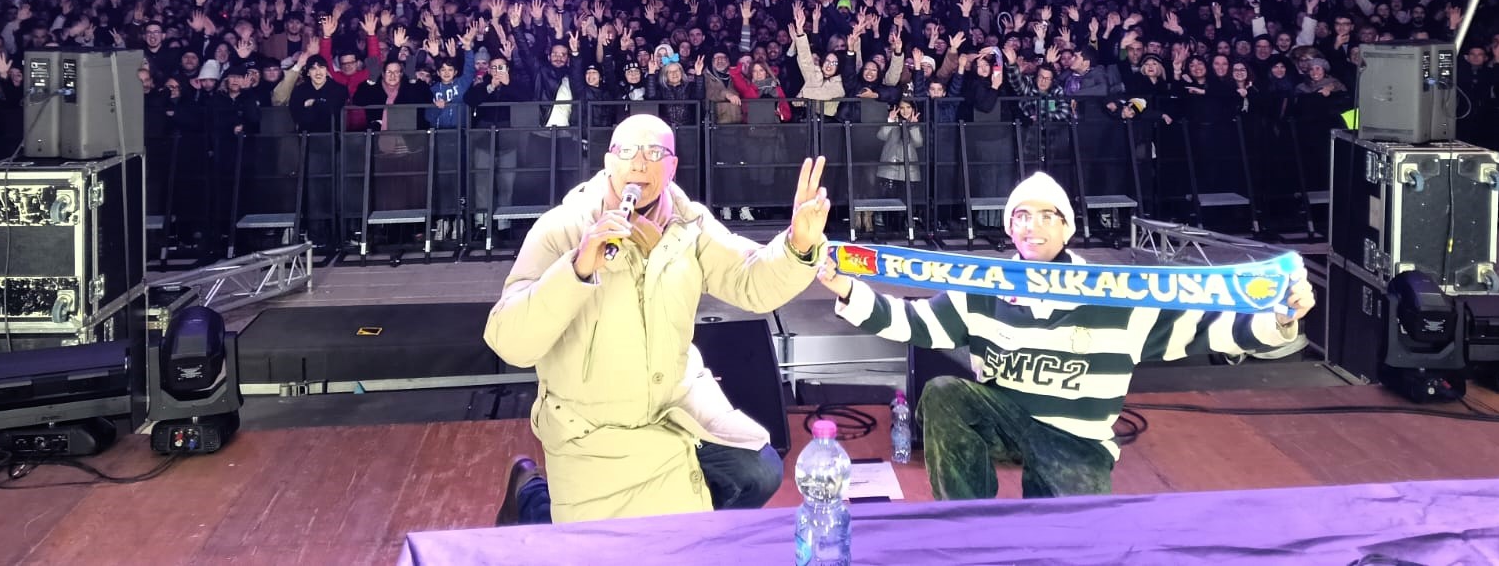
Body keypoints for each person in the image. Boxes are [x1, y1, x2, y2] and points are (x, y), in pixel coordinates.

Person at [815, 170, 1314, 502]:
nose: (1032, 227)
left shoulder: (1118, 292)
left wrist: (1281, 319)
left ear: (1067, 227)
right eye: (1021, 216)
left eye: (1045, 215)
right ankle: (968, 525)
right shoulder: (982, 285)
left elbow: (1210, 331)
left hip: (1076, 439)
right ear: (1009, 226)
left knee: (1067, 542)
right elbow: (913, 324)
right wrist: (844, 287)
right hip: (1005, 416)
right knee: (944, 394)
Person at [483, 113, 831, 524]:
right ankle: (531, 496)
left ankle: (686, 525)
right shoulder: (562, 228)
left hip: (675, 402)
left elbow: (751, 281)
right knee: (599, 545)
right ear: (608, 162)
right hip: (595, 422)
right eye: (627, 152)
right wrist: (576, 268)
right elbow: (509, 341)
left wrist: (798, 244)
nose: (639, 165)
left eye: (654, 153)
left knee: (759, 473)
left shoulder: (690, 224)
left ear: (672, 167)